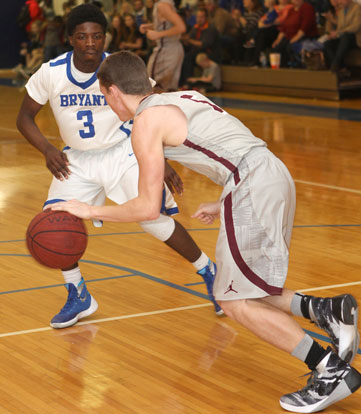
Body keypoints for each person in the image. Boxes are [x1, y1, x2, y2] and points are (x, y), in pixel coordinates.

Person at [51, 50, 361, 413]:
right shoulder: (184, 96)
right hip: (267, 174)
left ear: (113, 91)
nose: (109, 104)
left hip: (252, 184)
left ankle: (330, 371)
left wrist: (88, 208)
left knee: (232, 300)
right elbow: (234, 145)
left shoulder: (145, 123)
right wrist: (228, 198)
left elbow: (147, 208)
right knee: (244, 287)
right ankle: (327, 309)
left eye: (105, 97)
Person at [16, 4, 223, 330]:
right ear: (70, 38)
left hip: (125, 151)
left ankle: (208, 271)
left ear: (104, 38)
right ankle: (77, 292)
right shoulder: (51, 72)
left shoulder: (120, 68)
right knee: (58, 219)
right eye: (82, 36)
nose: (90, 43)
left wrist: (162, 160)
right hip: (77, 160)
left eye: (96, 36)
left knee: (153, 220)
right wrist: (46, 149)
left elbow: (153, 108)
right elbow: (24, 117)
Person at [139, 0, 186, 91]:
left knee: (151, 85)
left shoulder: (162, 5)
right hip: (174, 49)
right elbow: (167, 25)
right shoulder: (166, 3)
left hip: (166, 50)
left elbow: (181, 27)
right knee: (168, 89)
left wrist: (158, 34)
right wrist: (150, 26)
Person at [323, 0, 361, 73]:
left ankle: (335, 64)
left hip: (356, 38)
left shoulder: (357, 8)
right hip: (344, 38)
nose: (339, 2)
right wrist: (334, 34)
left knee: (346, 37)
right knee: (327, 44)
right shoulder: (341, 10)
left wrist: (338, 32)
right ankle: (342, 68)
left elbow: (356, 26)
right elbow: (340, 27)